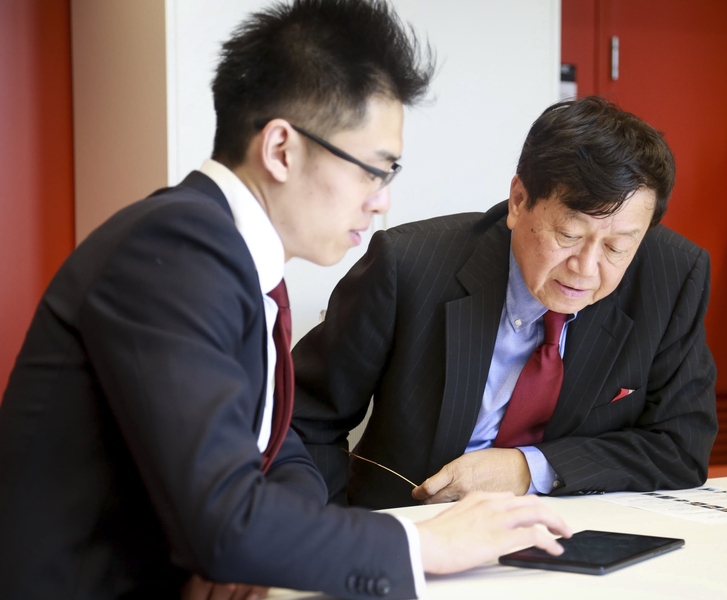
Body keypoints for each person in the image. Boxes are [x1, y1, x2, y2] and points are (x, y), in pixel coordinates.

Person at [0, 1, 572, 598]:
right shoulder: (174, 249)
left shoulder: (227, 253)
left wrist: (265, 546)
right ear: (281, 149)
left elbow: (278, 448)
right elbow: (223, 522)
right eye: (373, 170)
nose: (381, 200)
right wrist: (425, 543)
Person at [292, 95, 718, 510]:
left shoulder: (672, 277)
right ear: (518, 201)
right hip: (412, 526)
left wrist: (529, 469)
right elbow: (304, 420)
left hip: (571, 527)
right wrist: (333, 532)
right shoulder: (409, 268)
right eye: (568, 235)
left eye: (617, 247)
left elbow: (681, 447)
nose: (586, 269)